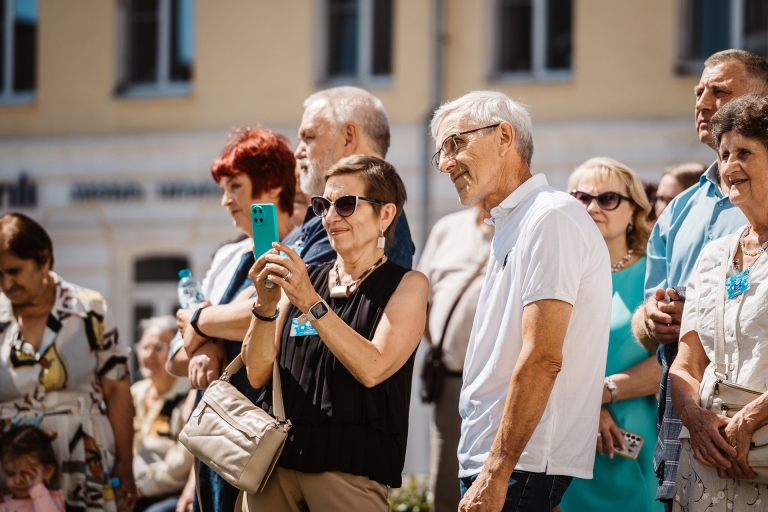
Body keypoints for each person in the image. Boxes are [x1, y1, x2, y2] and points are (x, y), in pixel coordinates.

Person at [430, 90, 612, 512]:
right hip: (504, 460)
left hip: (516, 465)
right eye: (441, 151)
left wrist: (496, 472)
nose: (444, 163)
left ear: (505, 136)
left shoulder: (550, 217)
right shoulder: (517, 220)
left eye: (455, 143)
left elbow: (543, 357)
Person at [240, 155, 428, 511]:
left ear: (385, 215)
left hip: (349, 473)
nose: (330, 217)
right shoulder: (305, 275)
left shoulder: (407, 284)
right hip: (273, 469)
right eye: (323, 205)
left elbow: (373, 367)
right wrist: (265, 305)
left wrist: (310, 301)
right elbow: (257, 372)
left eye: (345, 204)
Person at [629, 49, 768, 510]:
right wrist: (651, 318)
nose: (704, 102)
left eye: (744, 153)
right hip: (696, 444)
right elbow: (673, 347)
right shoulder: (693, 225)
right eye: (699, 92)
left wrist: (751, 417)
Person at [166, 127, 298, 512]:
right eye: (223, 188)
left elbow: (268, 317)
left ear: (273, 185)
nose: (226, 201)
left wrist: (200, 324)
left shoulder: (302, 251)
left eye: (235, 186)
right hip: (214, 436)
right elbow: (177, 354)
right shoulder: (228, 256)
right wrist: (205, 344)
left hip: (262, 437)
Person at [670, 93, 768, 511]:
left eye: (744, 152)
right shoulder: (714, 255)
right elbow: (687, 362)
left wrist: (750, 419)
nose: (729, 166)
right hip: (708, 462)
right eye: (725, 153)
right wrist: (696, 418)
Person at [0, 212, 136, 512]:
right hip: (14, 471)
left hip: (85, 460)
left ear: (44, 259)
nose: (7, 284)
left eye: (14, 271)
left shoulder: (90, 309)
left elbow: (117, 390)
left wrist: (126, 464)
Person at [559, 157, 662, 512]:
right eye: (580, 197)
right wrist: (589, 408)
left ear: (634, 212)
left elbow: (673, 364)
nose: (591, 207)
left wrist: (599, 395)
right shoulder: (559, 273)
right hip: (567, 436)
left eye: (607, 199)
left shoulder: (656, 276)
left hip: (633, 436)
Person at [418, 207, 492, 512]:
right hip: (451, 379)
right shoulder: (447, 228)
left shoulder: (525, 226)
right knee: (447, 482)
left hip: (500, 383)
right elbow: (420, 298)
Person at [131, 316, 193, 512]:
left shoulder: (187, 398)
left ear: (176, 352)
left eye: (158, 348)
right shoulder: (134, 394)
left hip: (168, 496)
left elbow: (183, 463)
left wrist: (142, 488)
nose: (149, 355)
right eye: (144, 347)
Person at [0, 424, 64, 512]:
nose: (17, 481)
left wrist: (37, 490)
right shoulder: (4, 501)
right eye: (10, 473)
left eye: (26, 474)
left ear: (47, 471)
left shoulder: (49, 502)